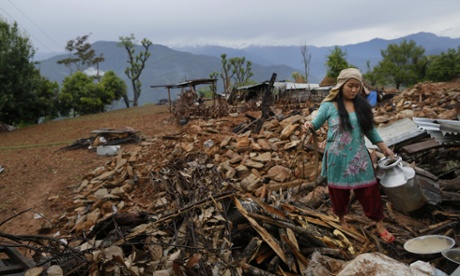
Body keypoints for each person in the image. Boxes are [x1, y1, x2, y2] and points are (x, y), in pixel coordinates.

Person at [303, 68, 395, 243]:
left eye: (356, 86)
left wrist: (385, 149)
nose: (353, 90)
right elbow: (316, 123)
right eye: (350, 86)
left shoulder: (362, 106)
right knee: (338, 192)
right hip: (337, 157)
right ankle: (342, 220)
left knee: (370, 191)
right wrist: (309, 125)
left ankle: (380, 226)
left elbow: (370, 131)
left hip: (359, 157)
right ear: (341, 85)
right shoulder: (328, 106)